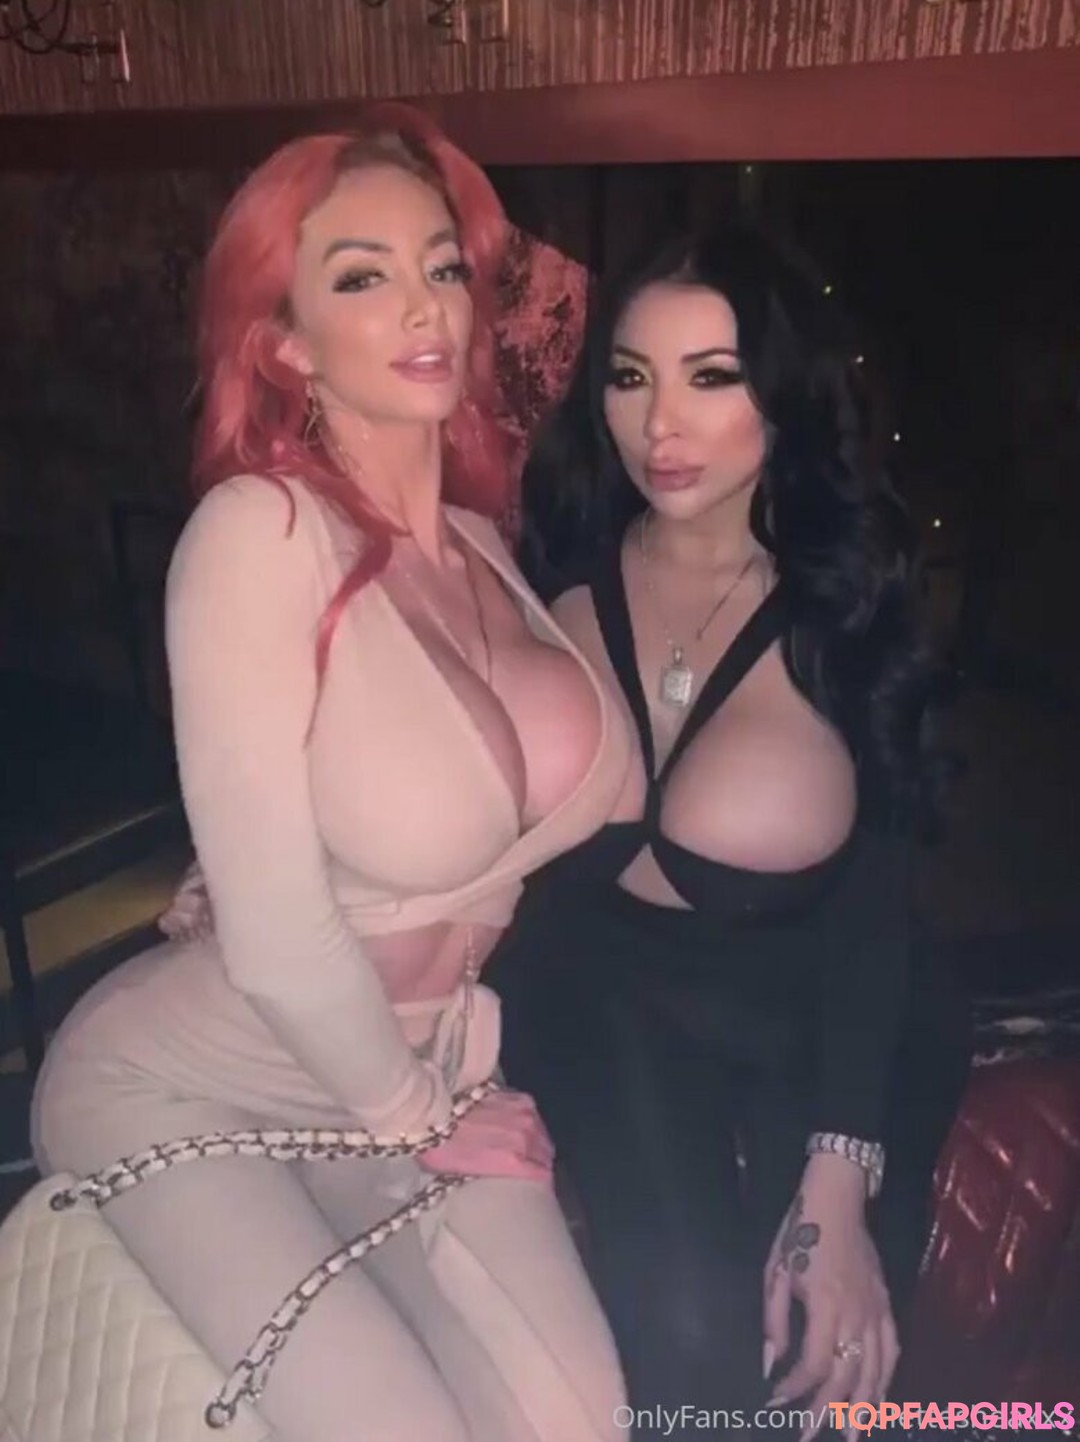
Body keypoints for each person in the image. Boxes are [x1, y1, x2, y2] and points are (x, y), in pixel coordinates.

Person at [31, 105, 634, 1442]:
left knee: (582, 1418)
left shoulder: (485, 544)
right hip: (198, 1079)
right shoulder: (257, 534)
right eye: (361, 276)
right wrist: (415, 1115)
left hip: (425, 1061)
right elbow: (274, 926)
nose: (423, 305)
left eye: (442, 265)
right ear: (286, 340)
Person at [485, 223, 972, 1434]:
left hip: (822, 1011)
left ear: (784, 395)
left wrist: (840, 1177)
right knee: (692, 1337)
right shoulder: (544, 569)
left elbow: (880, 908)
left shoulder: (851, 599)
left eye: (712, 376)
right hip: (599, 999)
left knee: (826, 1356)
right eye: (631, 375)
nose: (661, 424)